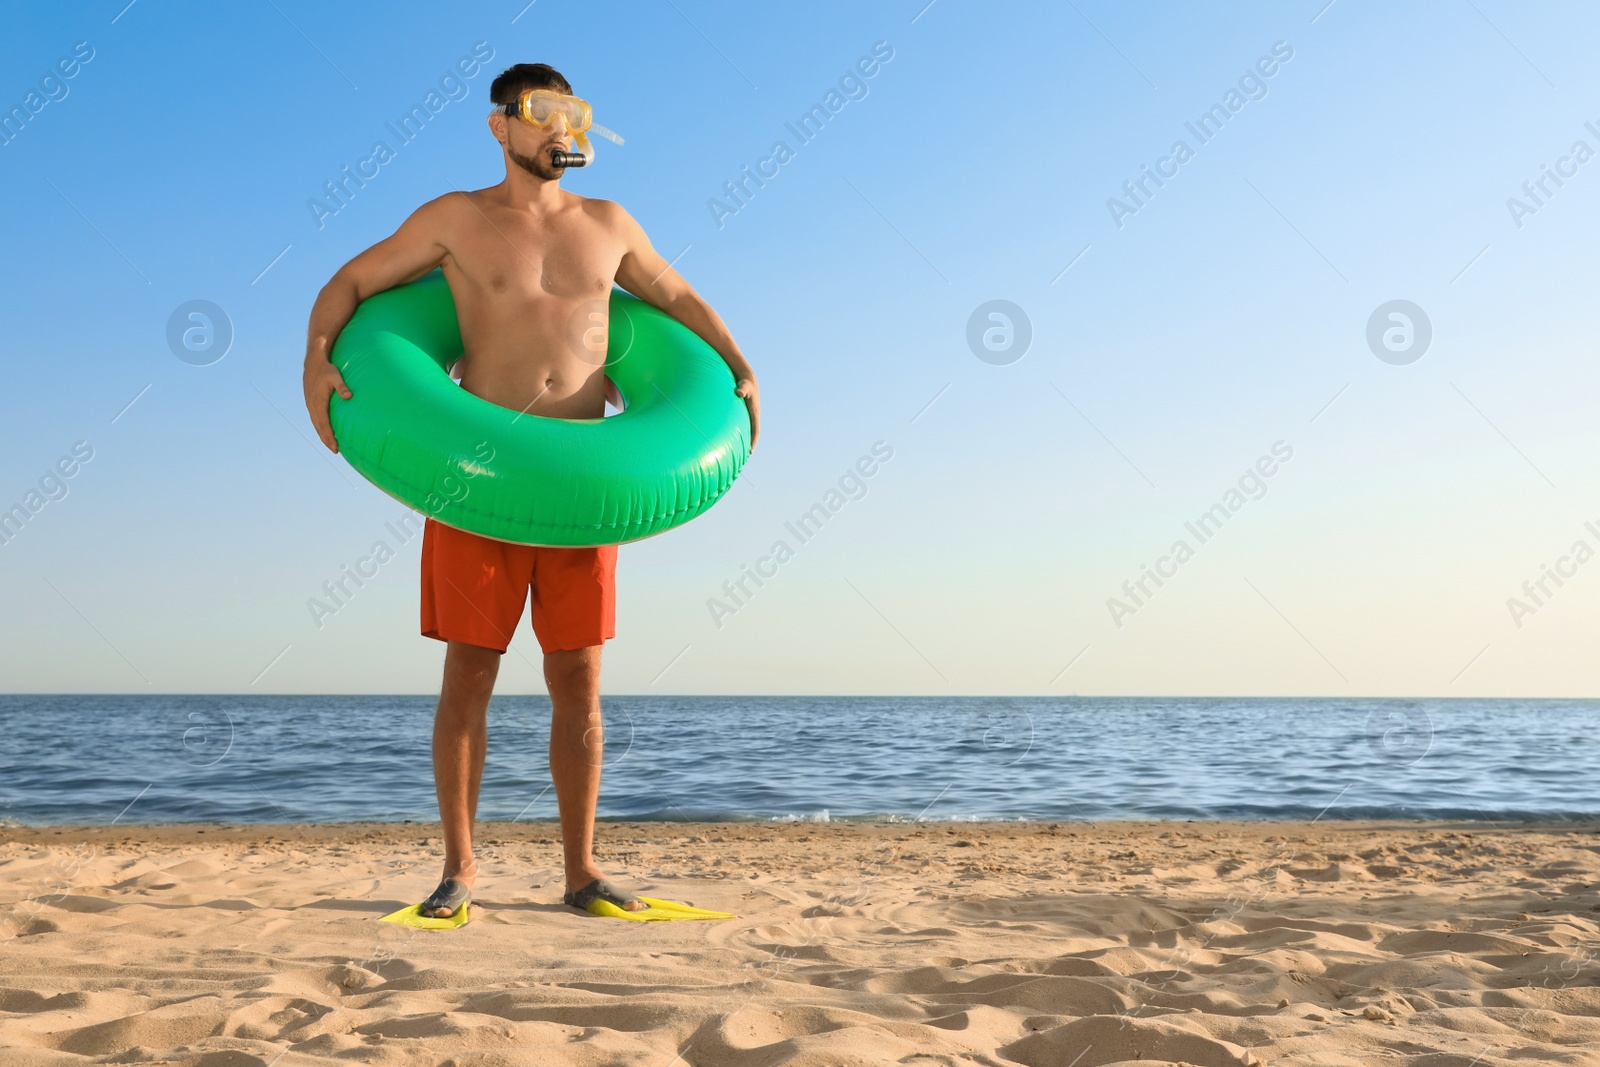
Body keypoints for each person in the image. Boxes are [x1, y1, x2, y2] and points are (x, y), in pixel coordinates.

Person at [300, 62, 760, 919]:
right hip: (476, 485)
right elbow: (352, 283)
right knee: (468, 675)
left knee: (578, 681)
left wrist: (739, 367)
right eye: (543, 114)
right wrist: (316, 356)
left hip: (584, 491)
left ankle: (582, 872)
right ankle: (459, 872)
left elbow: (678, 295)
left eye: (575, 115)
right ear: (499, 126)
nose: (563, 131)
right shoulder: (456, 220)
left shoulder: (608, 224)